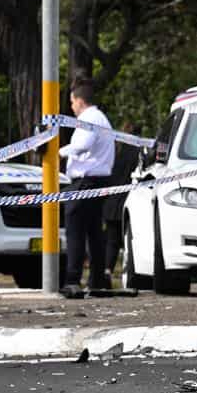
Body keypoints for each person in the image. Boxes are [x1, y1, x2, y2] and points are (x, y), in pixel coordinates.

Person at [59, 78, 115, 292]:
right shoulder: (100, 118)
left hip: (86, 181)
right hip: (96, 181)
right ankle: (97, 280)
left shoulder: (89, 118)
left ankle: (72, 280)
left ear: (79, 101)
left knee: (75, 231)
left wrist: (58, 152)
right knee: (94, 232)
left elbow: (82, 145)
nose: (71, 107)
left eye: (72, 102)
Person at [103, 122, 141, 287]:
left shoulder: (115, 151)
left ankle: (107, 272)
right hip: (129, 202)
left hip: (111, 203)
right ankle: (130, 273)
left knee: (112, 241)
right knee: (129, 241)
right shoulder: (139, 154)